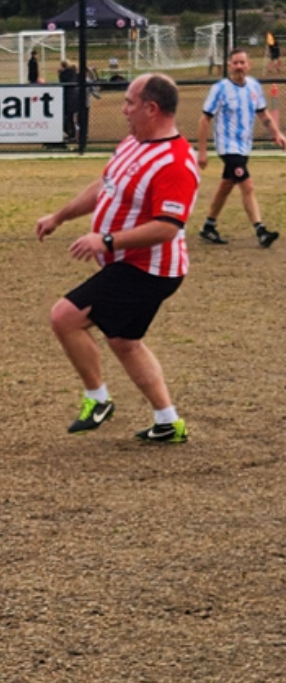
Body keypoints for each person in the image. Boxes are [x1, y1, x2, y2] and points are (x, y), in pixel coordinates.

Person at [36, 73, 199, 444]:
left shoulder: (175, 162)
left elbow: (168, 226)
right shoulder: (133, 142)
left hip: (148, 270)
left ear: (151, 108)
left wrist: (106, 240)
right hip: (130, 264)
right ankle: (168, 421)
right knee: (125, 342)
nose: (123, 109)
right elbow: (104, 186)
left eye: (129, 102)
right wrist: (60, 216)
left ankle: (98, 399)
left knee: (64, 317)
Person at [196, 48, 285, 248]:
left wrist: (277, 134)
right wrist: (202, 151)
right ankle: (261, 230)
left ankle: (208, 226)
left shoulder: (253, 86)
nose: (239, 67)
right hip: (228, 147)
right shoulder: (219, 89)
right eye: (235, 63)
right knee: (247, 185)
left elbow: (263, 114)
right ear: (229, 65)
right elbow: (204, 120)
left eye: (242, 63)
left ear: (248, 65)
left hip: (244, 146)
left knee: (227, 184)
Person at [57, 59, 79, 144]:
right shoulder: (73, 72)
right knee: (70, 117)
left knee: (67, 117)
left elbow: (62, 82)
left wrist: (60, 73)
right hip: (74, 97)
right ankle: (72, 134)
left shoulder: (65, 74)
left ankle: (70, 133)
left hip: (68, 97)